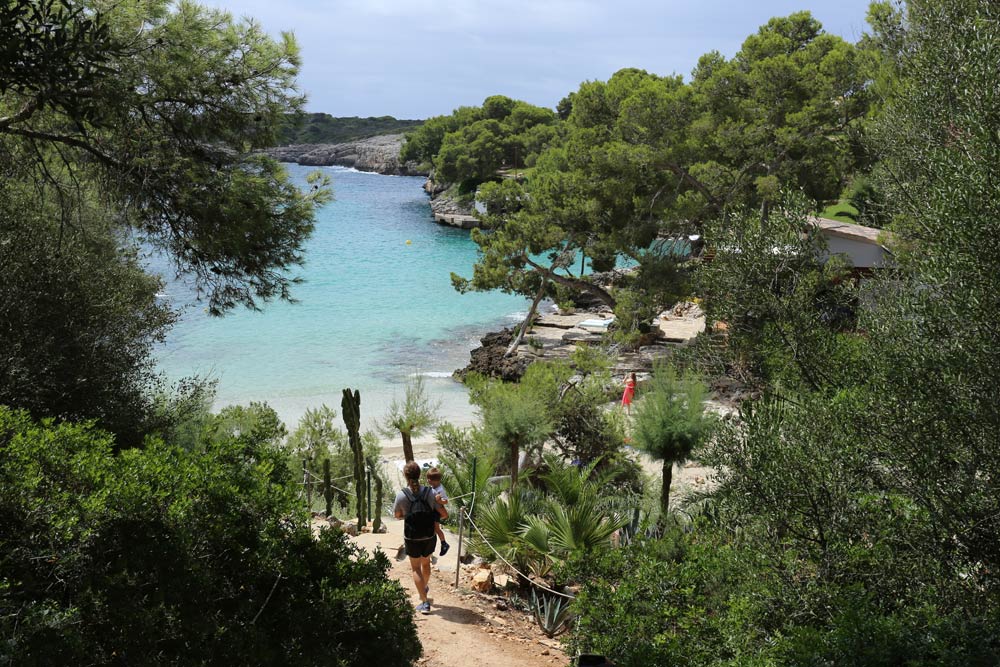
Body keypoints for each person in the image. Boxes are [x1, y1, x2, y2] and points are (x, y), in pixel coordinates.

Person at [393, 461, 447, 614]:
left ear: (405, 476)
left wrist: (407, 514)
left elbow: (397, 515)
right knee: (426, 564)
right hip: (429, 536)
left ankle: (424, 602)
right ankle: (424, 589)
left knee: (415, 568)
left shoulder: (401, 494)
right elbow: (442, 512)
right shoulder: (430, 492)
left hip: (412, 538)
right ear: (420, 475)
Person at [426, 467, 450, 556]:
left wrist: (439, 500)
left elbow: (446, 501)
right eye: (428, 478)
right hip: (433, 510)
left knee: (436, 529)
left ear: (437, 481)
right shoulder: (433, 487)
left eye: (431, 479)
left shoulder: (440, 489)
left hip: (436, 511)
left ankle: (444, 543)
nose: (428, 480)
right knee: (433, 529)